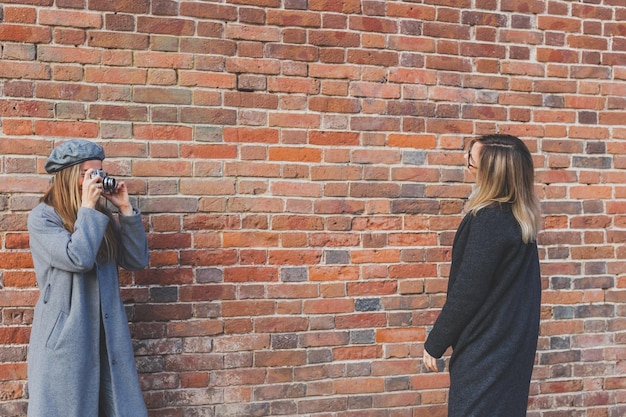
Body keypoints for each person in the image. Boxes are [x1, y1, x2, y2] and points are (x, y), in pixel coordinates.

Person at [27, 139, 149, 417]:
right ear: (70, 176)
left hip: (108, 335)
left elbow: (136, 260)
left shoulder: (100, 216)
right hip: (67, 339)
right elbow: (77, 258)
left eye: (100, 172)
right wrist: (88, 210)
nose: (98, 179)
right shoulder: (43, 218)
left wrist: (125, 211)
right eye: (89, 173)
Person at [422, 134, 542, 417]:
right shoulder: (517, 216)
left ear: (491, 174)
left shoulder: (490, 219)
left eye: (471, 161)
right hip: (508, 346)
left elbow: (468, 290)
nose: (466, 165)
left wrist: (435, 343)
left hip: (486, 351)